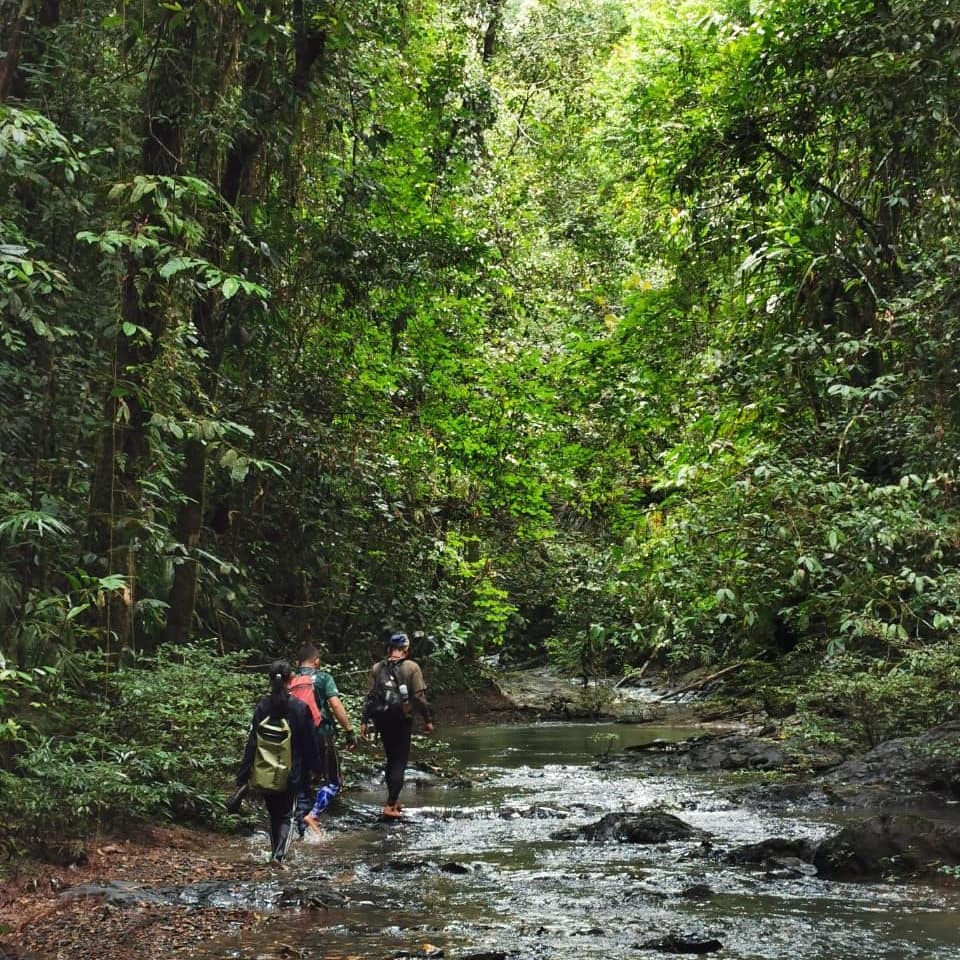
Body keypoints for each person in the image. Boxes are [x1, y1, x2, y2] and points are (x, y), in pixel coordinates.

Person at [235, 660, 322, 867]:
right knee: (286, 815)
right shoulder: (300, 708)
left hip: (264, 769)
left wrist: (243, 775)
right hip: (291, 772)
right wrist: (316, 770)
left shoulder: (263, 706)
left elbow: (252, 741)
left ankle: (275, 852)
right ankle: (278, 856)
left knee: (274, 814)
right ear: (291, 680)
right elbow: (310, 743)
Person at [360, 630, 434, 819]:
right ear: (405, 650)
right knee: (399, 762)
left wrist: (364, 721)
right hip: (401, 720)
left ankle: (393, 799)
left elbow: (369, 697)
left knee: (391, 759)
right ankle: (390, 805)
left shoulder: (377, 668)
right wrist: (428, 720)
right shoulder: (411, 667)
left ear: (389, 649)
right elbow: (419, 697)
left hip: (382, 720)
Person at [292, 643, 358, 834]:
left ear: (297, 663)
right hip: (321, 733)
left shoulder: (292, 679)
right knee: (333, 781)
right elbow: (335, 705)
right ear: (317, 661)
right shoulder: (323, 678)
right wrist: (349, 730)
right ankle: (312, 815)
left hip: (296, 736)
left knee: (303, 781)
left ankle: (301, 830)